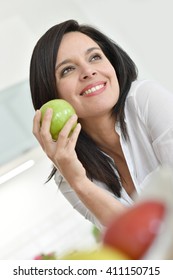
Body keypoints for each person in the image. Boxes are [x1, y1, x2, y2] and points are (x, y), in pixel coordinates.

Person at [29, 19, 173, 230]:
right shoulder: (66, 172)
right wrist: (78, 181)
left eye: (95, 57)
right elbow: (133, 240)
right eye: (67, 70)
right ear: (52, 95)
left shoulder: (145, 99)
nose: (88, 71)